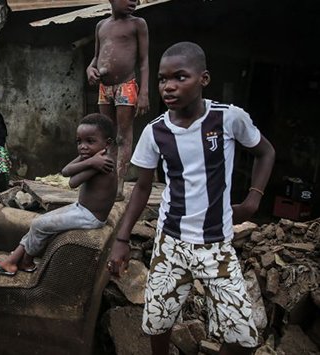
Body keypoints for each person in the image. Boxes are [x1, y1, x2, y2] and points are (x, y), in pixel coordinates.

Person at [107, 42, 275, 355]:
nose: (168, 87)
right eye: (162, 79)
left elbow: (265, 151)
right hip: (170, 243)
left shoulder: (228, 119)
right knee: (157, 322)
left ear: (204, 79)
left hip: (216, 245)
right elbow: (142, 187)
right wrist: (122, 237)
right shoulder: (155, 132)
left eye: (180, 77)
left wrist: (254, 201)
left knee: (242, 337)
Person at [0, 113, 117, 276]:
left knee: (40, 225)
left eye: (90, 141)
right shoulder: (94, 159)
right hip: (81, 208)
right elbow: (65, 171)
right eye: (79, 142)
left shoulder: (103, 163)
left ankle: (21, 261)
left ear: (107, 143)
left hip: (91, 217)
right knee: (39, 221)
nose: (83, 146)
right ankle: (19, 260)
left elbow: (73, 182)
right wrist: (87, 159)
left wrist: (90, 162)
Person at [86, 0, 149, 201]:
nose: (134, 1)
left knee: (123, 136)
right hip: (105, 88)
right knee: (107, 136)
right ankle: (107, 182)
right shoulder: (101, 26)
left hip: (126, 85)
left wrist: (144, 92)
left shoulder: (137, 24)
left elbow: (144, 61)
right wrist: (90, 69)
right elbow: (95, 58)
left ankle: (119, 185)